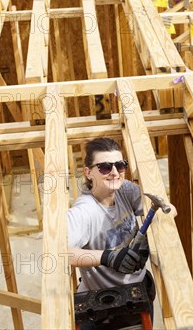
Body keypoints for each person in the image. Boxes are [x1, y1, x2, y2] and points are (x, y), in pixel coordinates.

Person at [68, 137, 175, 329]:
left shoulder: (125, 190)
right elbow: (62, 253)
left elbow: (168, 210)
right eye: (105, 167)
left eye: (120, 165)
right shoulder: (83, 211)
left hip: (138, 293)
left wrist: (148, 242)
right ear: (88, 172)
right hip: (104, 307)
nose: (115, 173)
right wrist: (109, 257)